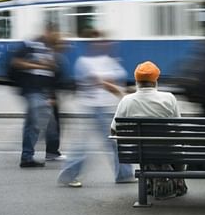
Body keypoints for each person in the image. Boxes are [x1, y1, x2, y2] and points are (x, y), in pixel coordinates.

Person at [57, 31, 134, 187]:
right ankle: (68, 175)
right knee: (86, 144)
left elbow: (116, 79)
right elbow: (103, 82)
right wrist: (123, 93)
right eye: (102, 41)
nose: (108, 44)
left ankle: (124, 174)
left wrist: (123, 89)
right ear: (93, 44)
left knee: (113, 142)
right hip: (93, 108)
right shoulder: (84, 62)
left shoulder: (109, 60)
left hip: (106, 107)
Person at [110, 61, 187, 198]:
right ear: (155, 81)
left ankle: (152, 182)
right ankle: (177, 181)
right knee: (176, 147)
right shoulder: (168, 98)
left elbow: (114, 130)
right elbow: (178, 128)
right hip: (167, 151)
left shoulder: (127, 100)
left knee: (146, 147)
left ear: (137, 81)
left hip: (140, 152)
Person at [10, 25, 64, 168]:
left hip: (44, 92)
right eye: (55, 34)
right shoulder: (30, 45)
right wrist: (40, 65)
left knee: (51, 126)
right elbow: (16, 62)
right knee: (33, 124)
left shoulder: (49, 49)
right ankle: (26, 157)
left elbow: (51, 74)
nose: (57, 38)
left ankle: (51, 152)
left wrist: (51, 94)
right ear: (47, 32)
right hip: (33, 90)